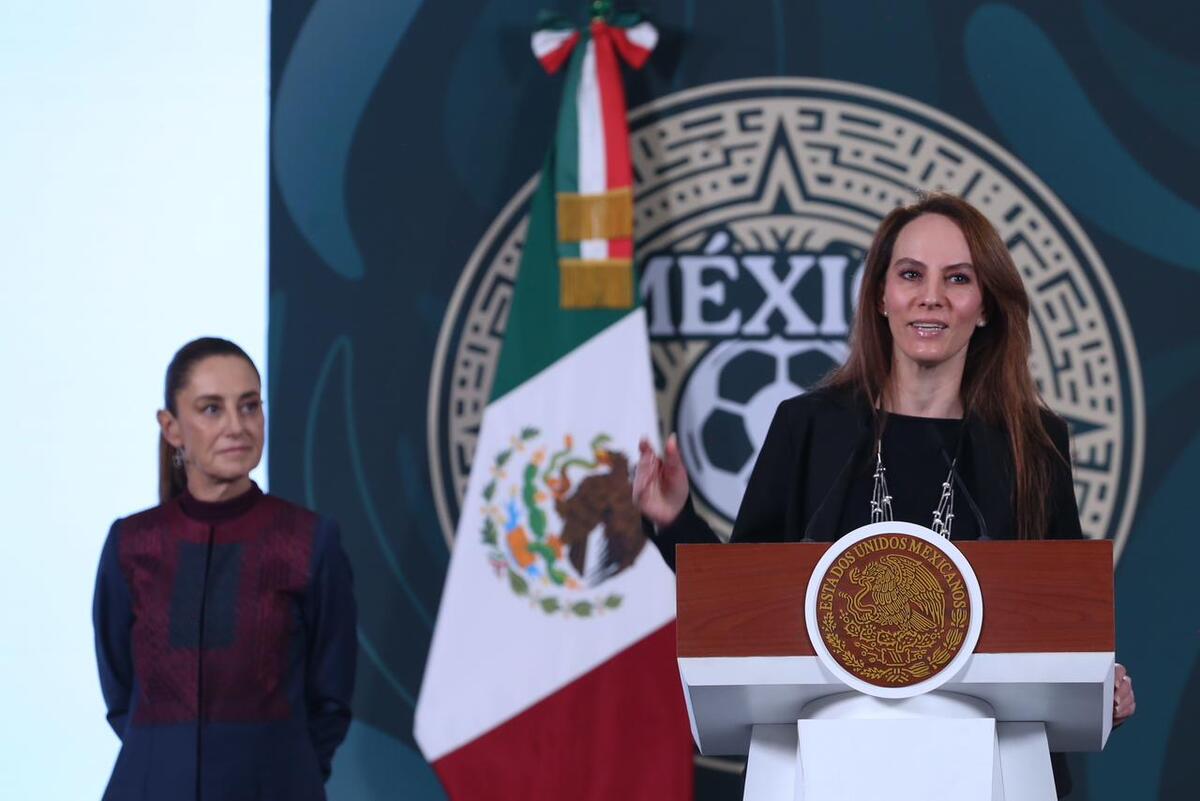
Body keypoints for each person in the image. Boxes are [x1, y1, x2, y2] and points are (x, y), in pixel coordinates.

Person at [633, 193, 1135, 795]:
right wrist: (673, 519)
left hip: (989, 769)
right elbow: (743, 610)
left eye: (958, 279)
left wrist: (1099, 681)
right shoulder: (809, 426)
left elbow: (1059, 615)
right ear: (881, 296)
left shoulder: (1034, 443)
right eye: (910, 275)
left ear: (984, 308)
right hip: (823, 766)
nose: (931, 297)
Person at [92, 337, 357, 801]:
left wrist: (282, 773)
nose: (237, 426)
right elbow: (122, 697)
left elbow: (330, 700)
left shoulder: (308, 541)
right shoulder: (131, 545)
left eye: (250, 406)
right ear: (171, 427)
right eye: (211, 409)